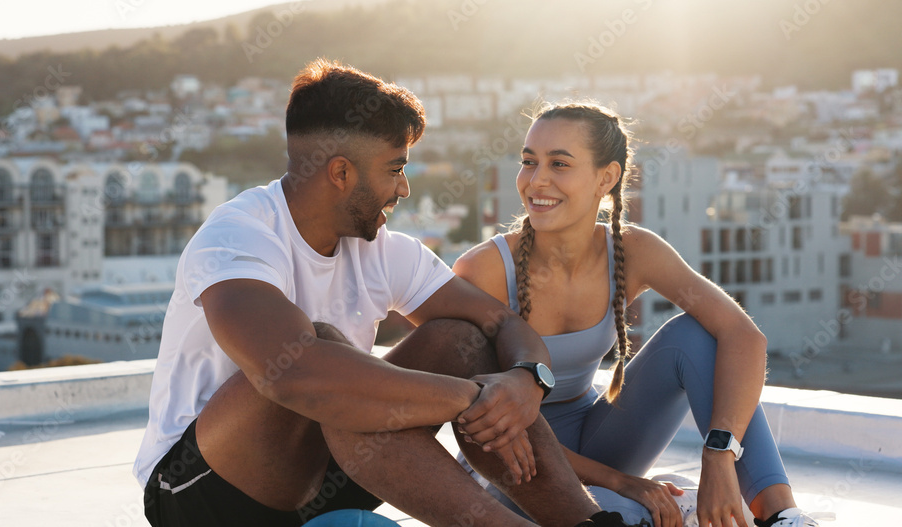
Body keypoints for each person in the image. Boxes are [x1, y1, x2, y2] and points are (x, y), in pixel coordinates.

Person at [133, 60, 640, 527]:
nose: (404, 190)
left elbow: (502, 325)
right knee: (327, 353)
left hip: (329, 476)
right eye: (395, 169)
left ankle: (586, 522)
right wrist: (472, 398)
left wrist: (527, 381)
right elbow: (291, 375)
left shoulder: (383, 249)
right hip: (202, 493)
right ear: (340, 173)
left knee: (459, 339)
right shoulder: (240, 235)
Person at [453, 102, 822, 527]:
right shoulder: (484, 270)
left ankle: (781, 515)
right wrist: (624, 482)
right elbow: (483, 421)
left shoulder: (632, 250)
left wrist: (719, 457)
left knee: (694, 336)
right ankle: (644, 500)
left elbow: (744, 336)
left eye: (559, 164)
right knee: (628, 514)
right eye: (529, 161)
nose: (537, 180)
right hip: (512, 461)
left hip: (595, 436)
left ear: (606, 178)